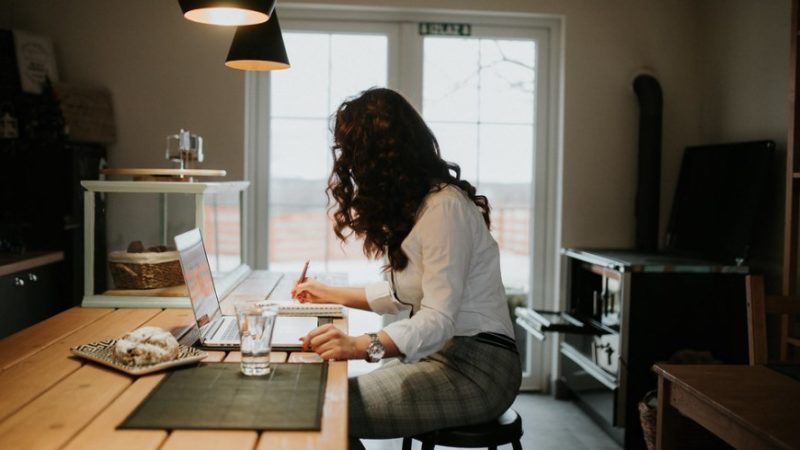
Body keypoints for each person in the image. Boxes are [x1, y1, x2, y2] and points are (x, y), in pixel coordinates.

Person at [293, 87, 521, 448]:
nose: (351, 171)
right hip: (442, 356)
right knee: (321, 400)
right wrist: (325, 292)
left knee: (321, 409)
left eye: (355, 158)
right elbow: (402, 293)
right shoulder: (424, 205)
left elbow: (437, 318)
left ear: (382, 159)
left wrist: (359, 345)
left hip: (478, 371)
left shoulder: (443, 208)